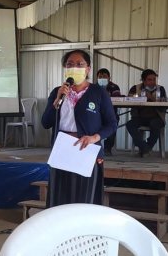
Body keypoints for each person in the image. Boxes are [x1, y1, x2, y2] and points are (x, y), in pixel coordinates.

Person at [42, 50, 117, 207]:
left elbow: (111, 124)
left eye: (79, 64)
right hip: (62, 150)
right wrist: (56, 101)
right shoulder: (58, 92)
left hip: (87, 151)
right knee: (60, 197)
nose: (74, 67)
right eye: (69, 64)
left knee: (85, 199)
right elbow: (45, 123)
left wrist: (94, 138)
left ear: (88, 69)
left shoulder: (98, 92)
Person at [126, 69, 167, 157]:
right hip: (139, 117)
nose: (152, 82)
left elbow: (164, 106)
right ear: (143, 81)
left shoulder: (161, 89)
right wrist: (140, 99)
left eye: (154, 79)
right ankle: (145, 148)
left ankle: (145, 148)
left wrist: (151, 98)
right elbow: (129, 100)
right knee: (130, 124)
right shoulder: (135, 88)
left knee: (155, 124)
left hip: (156, 117)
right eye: (149, 80)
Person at [96, 68, 121, 155]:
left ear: (109, 78)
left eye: (104, 76)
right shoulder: (93, 87)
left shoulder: (114, 87)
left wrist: (104, 91)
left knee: (114, 121)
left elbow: (117, 99)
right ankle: (94, 147)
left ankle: (108, 148)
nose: (102, 78)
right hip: (96, 114)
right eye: (100, 77)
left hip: (111, 113)